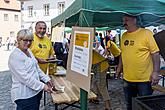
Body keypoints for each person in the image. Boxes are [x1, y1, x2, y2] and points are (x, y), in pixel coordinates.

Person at [116, 14, 160, 110]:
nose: (124, 23)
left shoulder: (146, 33)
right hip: (127, 79)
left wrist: (156, 72)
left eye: (126, 20)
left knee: (144, 107)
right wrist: (119, 67)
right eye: (123, 20)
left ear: (134, 20)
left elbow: (155, 53)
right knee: (130, 106)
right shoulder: (124, 36)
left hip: (144, 80)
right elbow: (122, 53)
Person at [8, 29, 55, 110]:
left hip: (34, 92)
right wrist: (43, 86)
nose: (28, 43)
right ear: (18, 40)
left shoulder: (28, 51)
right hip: (24, 95)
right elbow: (25, 78)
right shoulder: (15, 56)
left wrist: (47, 79)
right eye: (25, 40)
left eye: (30, 40)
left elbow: (36, 68)